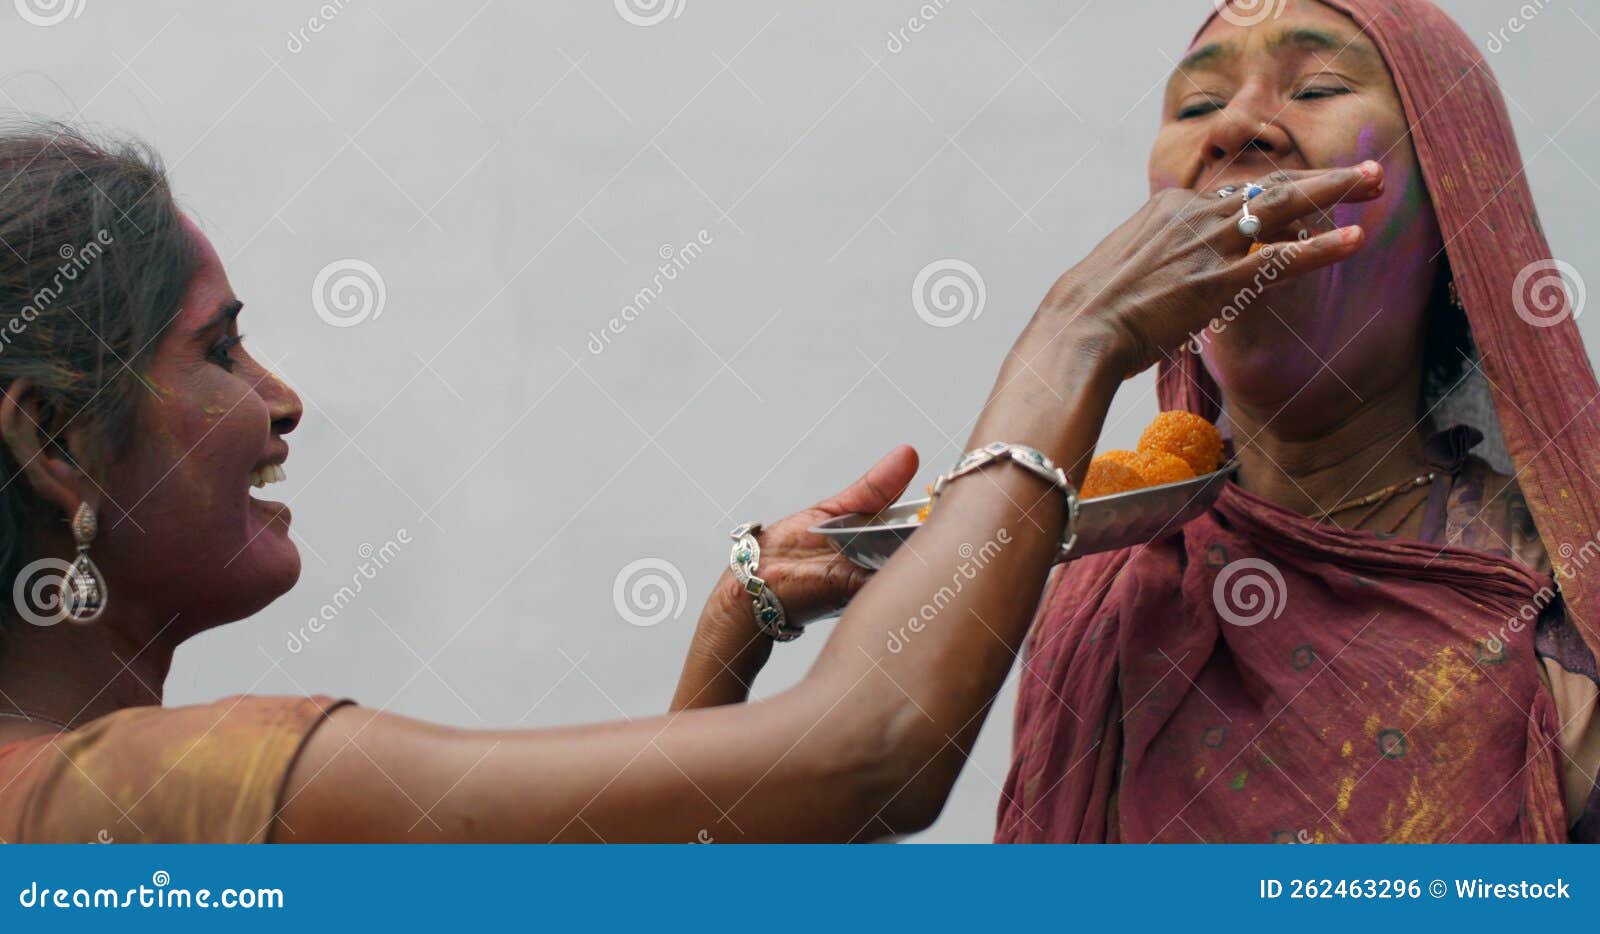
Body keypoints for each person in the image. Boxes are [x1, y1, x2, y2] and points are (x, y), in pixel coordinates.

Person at [0, 111, 1379, 840]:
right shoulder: (141, 802)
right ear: (50, 440)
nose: (283, 400)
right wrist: (1074, 335)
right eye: (222, 351)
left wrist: (732, 644)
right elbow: (866, 763)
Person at [998, 0, 1599, 843]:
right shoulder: (1106, 588)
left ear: (1451, 213)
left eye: (1317, 88)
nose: (1236, 126)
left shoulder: (1566, 604)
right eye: (1198, 106)